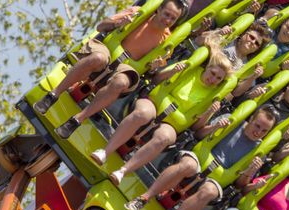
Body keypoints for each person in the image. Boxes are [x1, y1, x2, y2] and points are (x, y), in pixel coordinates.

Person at [34, 0, 187, 138]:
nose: (168, 20)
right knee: (98, 58)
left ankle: (77, 120)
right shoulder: (138, 14)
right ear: (159, 9)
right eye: (166, 14)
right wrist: (117, 24)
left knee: (121, 82)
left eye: (173, 19)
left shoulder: (167, 42)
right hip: (108, 51)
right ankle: (52, 95)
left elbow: (152, 75)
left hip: (127, 67)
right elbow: (101, 26)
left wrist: (153, 67)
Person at [90, 38, 237, 184]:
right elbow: (157, 79)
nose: (213, 79)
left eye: (218, 78)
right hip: (155, 103)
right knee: (143, 114)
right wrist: (172, 71)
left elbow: (196, 128)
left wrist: (208, 113)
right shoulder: (190, 69)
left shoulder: (213, 97)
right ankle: (105, 151)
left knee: (164, 138)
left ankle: (122, 171)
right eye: (212, 73)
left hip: (173, 123)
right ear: (207, 68)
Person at [135, 105, 281, 210]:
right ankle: (144, 198)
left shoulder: (259, 152)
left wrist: (250, 171)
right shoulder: (231, 120)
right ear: (251, 119)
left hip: (218, 179)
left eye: (264, 131)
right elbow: (198, 134)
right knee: (187, 165)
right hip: (199, 159)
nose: (258, 132)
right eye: (257, 125)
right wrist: (215, 127)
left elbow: (239, 185)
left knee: (210, 192)